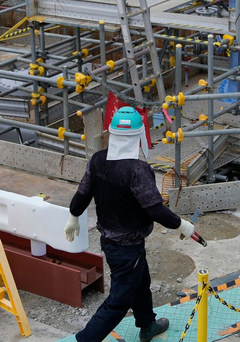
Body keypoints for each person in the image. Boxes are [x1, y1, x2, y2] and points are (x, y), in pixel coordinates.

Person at [64, 106, 196, 342]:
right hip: (127, 247)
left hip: (112, 242)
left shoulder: (97, 160)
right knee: (119, 301)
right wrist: (182, 225)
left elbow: (83, 192)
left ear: (112, 133)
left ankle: (147, 326)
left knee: (142, 282)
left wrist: (74, 215)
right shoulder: (137, 170)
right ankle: (84, 340)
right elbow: (154, 208)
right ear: (138, 137)